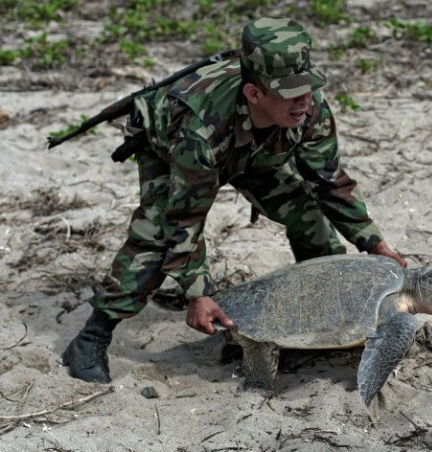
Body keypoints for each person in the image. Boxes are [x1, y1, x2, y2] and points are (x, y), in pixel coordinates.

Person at [61, 17, 407, 383]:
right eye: (291, 91)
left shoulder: (307, 109)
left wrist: (374, 242)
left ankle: (327, 312)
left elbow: (329, 181)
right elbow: (186, 217)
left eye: (308, 86)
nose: (305, 99)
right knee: (157, 238)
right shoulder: (199, 130)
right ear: (254, 93)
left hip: (255, 147)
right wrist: (198, 293)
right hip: (173, 150)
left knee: (305, 208)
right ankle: (91, 337)